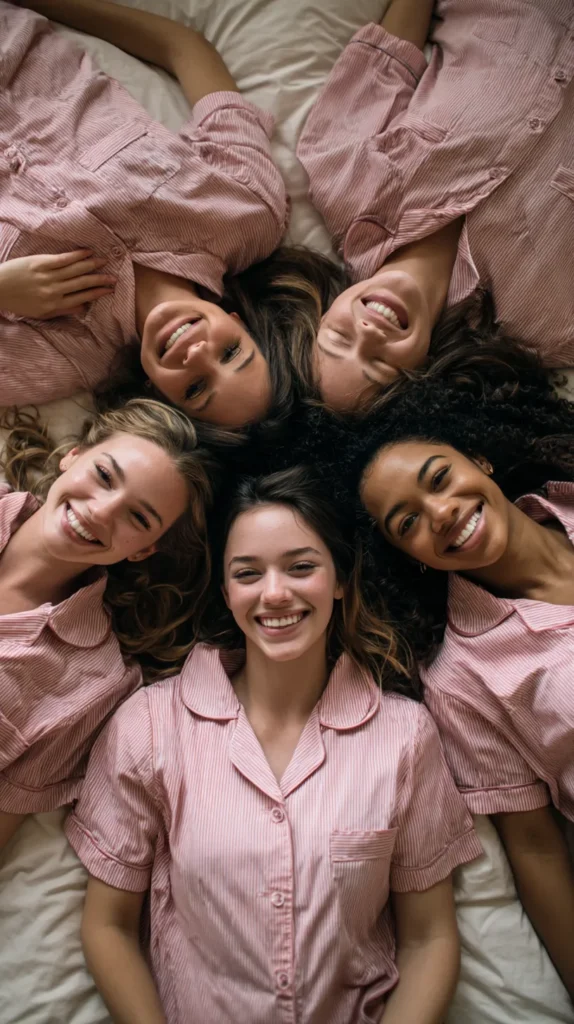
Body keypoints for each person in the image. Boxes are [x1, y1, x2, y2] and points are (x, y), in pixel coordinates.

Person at [65, 466, 481, 1024]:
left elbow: (428, 938)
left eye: (302, 567)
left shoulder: (404, 736)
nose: (275, 593)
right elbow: (108, 925)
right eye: (248, 573)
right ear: (227, 591)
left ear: (339, 578)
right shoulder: (148, 726)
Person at [293, 358, 574, 1000]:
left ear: (481, 459)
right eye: (408, 523)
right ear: (410, 558)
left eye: (440, 478)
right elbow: (535, 851)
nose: (441, 513)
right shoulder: (463, 680)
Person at [0, 0, 345, 428]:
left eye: (195, 389)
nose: (197, 354)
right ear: (240, 323)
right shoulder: (245, 210)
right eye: (231, 352)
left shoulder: (68, 356)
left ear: (160, 398)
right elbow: (184, 46)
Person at [297, 0, 574, 411]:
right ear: (422, 376)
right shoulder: (549, 325)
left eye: (338, 339)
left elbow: (391, 55)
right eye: (378, 366)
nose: (368, 334)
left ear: (322, 313)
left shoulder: (340, 172)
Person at [0, 397, 216, 852]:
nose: (101, 512)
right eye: (103, 477)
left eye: (138, 518)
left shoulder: (92, 685)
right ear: (73, 456)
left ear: (142, 551)